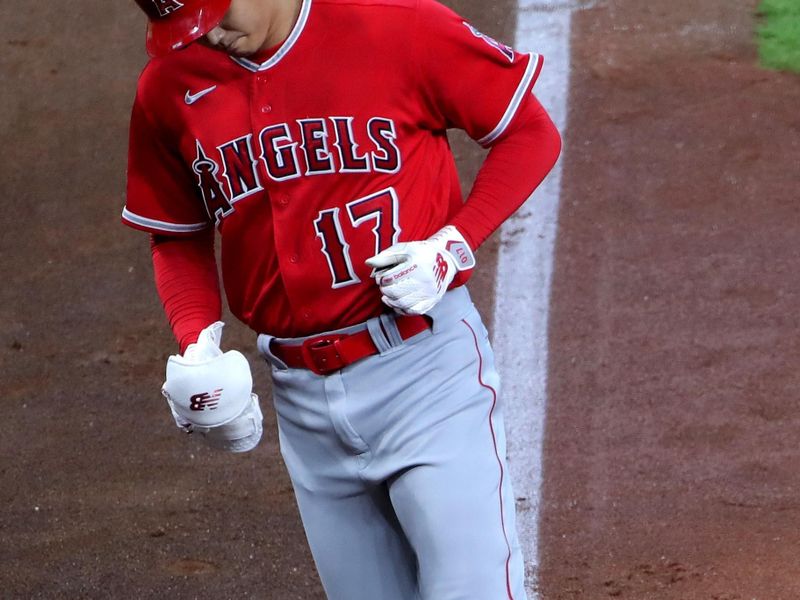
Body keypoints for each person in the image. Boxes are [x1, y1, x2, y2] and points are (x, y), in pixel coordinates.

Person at [123, 0, 561, 597]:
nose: (206, 36)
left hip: (425, 373)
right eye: (185, 28)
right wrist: (196, 340)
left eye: (215, 14)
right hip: (302, 403)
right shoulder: (169, 84)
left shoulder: (398, 26)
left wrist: (451, 245)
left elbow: (530, 132)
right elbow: (176, 235)